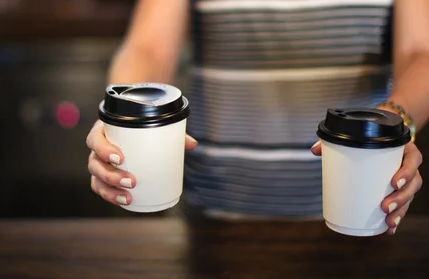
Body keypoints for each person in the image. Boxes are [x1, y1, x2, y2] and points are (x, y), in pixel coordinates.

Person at [86, 0, 427, 234]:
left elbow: (420, 53)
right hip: (214, 218)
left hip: (363, 215)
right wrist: (127, 114)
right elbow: (149, 46)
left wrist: (394, 127)